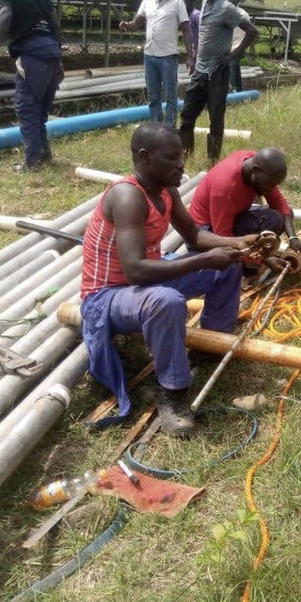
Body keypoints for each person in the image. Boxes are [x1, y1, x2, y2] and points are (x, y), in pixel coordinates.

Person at [80, 122, 256, 436]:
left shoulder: (165, 190)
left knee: (228, 265)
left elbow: (195, 236)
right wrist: (205, 259)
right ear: (145, 158)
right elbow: (136, 270)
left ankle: (210, 345)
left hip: (142, 284)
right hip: (108, 297)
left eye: (182, 156)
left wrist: (241, 243)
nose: (181, 164)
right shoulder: (127, 197)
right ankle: (173, 393)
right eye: (173, 158)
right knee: (166, 302)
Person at [0, 0, 63, 171]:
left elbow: (6, 13)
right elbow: (54, 21)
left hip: (32, 50)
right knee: (41, 110)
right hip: (50, 49)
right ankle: (43, 155)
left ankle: (33, 162)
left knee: (27, 107)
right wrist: (58, 58)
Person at [179, 0, 258, 161]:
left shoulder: (226, 9)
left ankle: (213, 164)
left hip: (218, 73)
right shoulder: (205, 3)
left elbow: (252, 31)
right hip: (200, 72)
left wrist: (232, 56)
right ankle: (185, 160)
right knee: (187, 117)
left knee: (216, 121)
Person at [188, 148, 301, 267]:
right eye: (269, 185)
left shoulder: (257, 165)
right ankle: (247, 264)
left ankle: (251, 258)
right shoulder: (225, 186)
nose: (271, 190)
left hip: (232, 219)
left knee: (280, 218)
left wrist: (293, 238)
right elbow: (224, 236)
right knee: (230, 257)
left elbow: (279, 204)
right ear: (255, 170)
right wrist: (264, 261)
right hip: (207, 235)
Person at [119, 0, 191, 128]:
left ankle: (170, 129)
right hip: (149, 56)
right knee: (153, 96)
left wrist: (190, 56)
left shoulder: (177, 2)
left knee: (170, 97)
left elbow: (186, 28)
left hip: (168, 57)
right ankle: (156, 128)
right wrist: (127, 25)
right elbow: (136, 23)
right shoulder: (147, 1)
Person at [227, 0, 245, 93]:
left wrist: (242, 48)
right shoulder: (225, 13)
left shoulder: (242, 14)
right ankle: (239, 91)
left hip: (236, 47)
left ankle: (233, 92)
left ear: (238, 1)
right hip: (225, 47)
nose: (230, 0)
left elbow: (248, 33)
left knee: (232, 71)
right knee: (235, 71)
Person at [183, 0, 201, 65]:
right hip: (195, 52)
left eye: (185, 3)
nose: (183, 5)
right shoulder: (189, 16)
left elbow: (203, 32)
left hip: (200, 53)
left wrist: (197, 52)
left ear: (192, 2)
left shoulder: (196, 15)